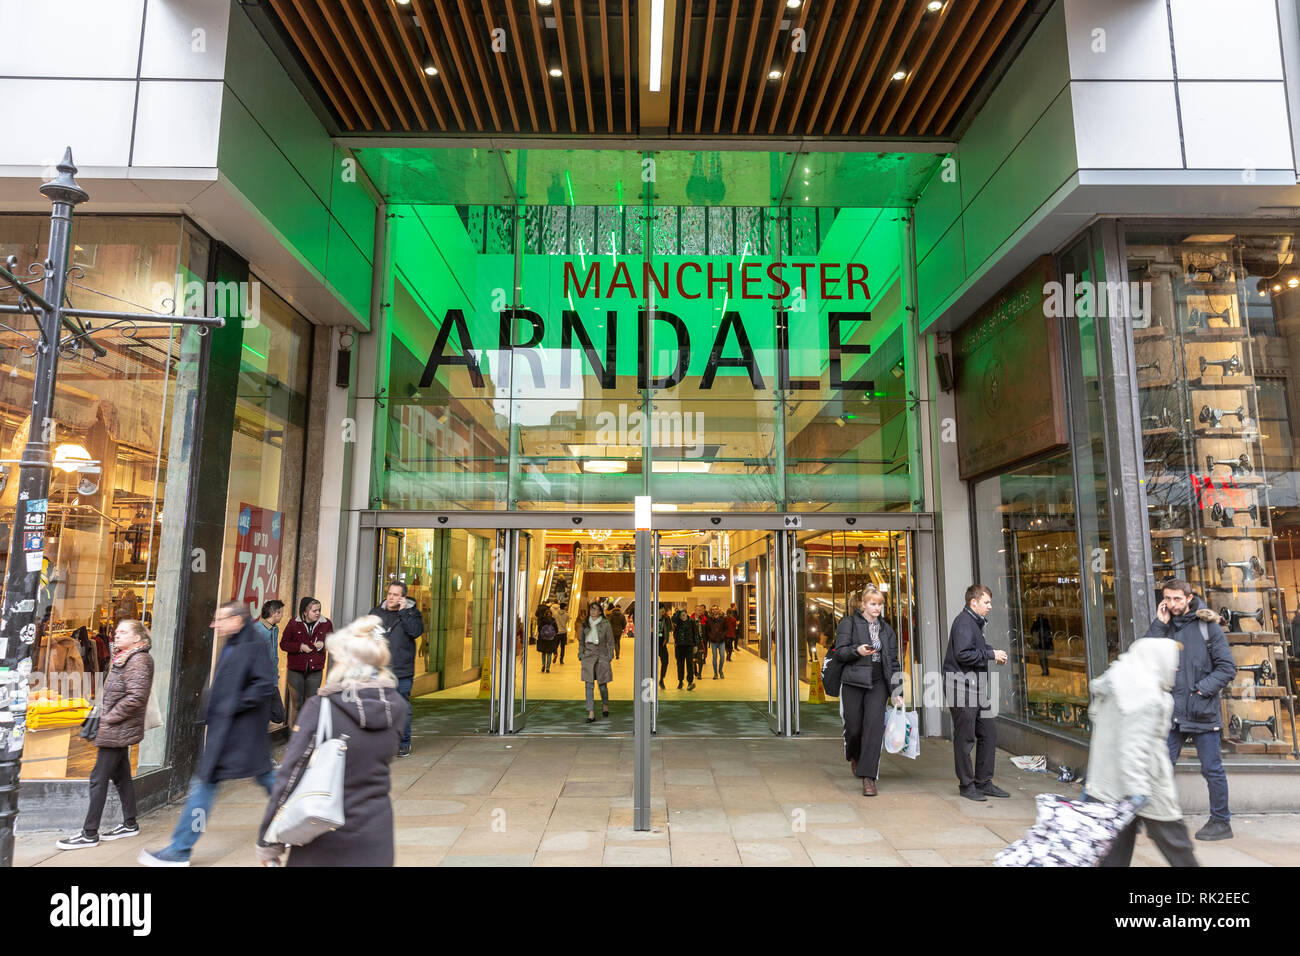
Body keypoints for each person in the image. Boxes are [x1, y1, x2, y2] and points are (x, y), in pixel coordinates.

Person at [256, 615, 409, 867]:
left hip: (323, 836)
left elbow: (291, 774)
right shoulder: (397, 708)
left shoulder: (322, 707)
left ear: (343, 662)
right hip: (376, 834)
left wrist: (268, 841)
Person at [139, 602, 276, 866]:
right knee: (258, 782)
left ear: (237, 620)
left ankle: (179, 850)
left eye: (221, 620)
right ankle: (180, 848)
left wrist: (230, 704)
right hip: (228, 735)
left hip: (241, 736)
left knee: (260, 782)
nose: (216, 625)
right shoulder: (236, 642)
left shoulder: (253, 645)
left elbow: (264, 686)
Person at [1087, 637, 1199, 867]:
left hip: (1107, 786)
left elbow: (1097, 719)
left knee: (1113, 855)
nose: (1175, 668)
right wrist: (1137, 793)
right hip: (1146, 787)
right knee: (1178, 847)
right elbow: (1133, 748)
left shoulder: (1117, 682)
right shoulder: (1145, 696)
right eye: (1173, 662)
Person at [1144, 578, 1236, 841]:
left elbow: (1227, 668)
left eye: (1177, 599)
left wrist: (1200, 690)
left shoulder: (1208, 627)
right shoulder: (1166, 626)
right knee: (1161, 767)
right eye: (1167, 599)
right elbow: (1145, 655)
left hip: (1201, 710)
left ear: (1188, 597)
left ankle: (1221, 822)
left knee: (1211, 769)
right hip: (1172, 713)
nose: (1172, 604)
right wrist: (1159, 623)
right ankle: (1157, 819)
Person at [56, 619, 155, 850]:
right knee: (121, 777)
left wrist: (109, 717)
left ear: (138, 638)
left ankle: (89, 833)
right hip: (116, 726)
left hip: (117, 727)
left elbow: (136, 697)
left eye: (123, 632)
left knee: (98, 778)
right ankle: (130, 823)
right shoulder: (125, 657)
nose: (117, 635)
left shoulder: (139, 660)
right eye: (117, 631)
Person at [833, 588, 904, 796]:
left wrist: (897, 691)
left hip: (878, 682)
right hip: (854, 680)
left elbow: (893, 662)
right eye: (872, 604)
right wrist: (858, 651)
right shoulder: (849, 623)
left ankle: (869, 778)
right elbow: (840, 651)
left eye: (880, 604)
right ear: (863, 604)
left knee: (873, 727)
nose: (877, 608)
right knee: (854, 727)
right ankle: (854, 754)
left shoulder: (886, 630)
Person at [943, 584, 1009, 802]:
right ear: (974, 602)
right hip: (961, 687)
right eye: (986, 602)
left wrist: (991, 653)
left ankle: (983, 782)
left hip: (975, 687)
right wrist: (990, 654)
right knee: (965, 738)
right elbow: (962, 654)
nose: (990, 606)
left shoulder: (973, 623)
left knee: (988, 733)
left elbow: (971, 649)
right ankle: (967, 785)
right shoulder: (964, 622)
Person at [370, 581, 424, 758]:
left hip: (402, 669)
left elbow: (415, 632)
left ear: (403, 597)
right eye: (390, 593)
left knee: (402, 708)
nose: (391, 597)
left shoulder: (412, 613)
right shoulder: (376, 613)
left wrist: (403, 612)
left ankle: (403, 743)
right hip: (380, 669)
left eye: (395, 594)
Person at [280, 597, 332, 727]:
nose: (318, 613)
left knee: (311, 704)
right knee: (297, 704)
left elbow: (333, 642)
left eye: (319, 610)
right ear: (305, 612)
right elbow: (284, 644)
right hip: (295, 670)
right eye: (314, 610)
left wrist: (323, 644)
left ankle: (308, 736)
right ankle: (295, 738)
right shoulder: (293, 623)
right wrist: (300, 647)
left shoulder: (326, 623)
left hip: (315, 671)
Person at [579, 601, 615, 722]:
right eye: (591, 609)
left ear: (600, 611)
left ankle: (605, 705)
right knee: (588, 685)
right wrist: (581, 655)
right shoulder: (585, 623)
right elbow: (581, 641)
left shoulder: (605, 624)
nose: (593, 612)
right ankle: (591, 712)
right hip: (588, 656)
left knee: (602, 684)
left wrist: (609, 656)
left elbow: (611, 642)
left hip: (601, 655)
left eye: (595, 609)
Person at [254, 599, 286, 725]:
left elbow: (274, 656)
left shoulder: (274, 629)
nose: (282, 615)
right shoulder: (257, 629)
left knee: (278, 715)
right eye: (281, 613)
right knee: (265, 716)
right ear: (275, 613)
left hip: (271, 681)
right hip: (260, 681)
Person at [672, 607, 698, 691]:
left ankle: (690, 682)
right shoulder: (678, 622)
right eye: (681, 615)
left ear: (687, 614)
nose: (682, 616)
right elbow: (673, 619)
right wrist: (678, 612)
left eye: (684, 614)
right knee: (680, 664)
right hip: (679, 646)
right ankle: (680, 681)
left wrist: (696, 645)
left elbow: (695, 634)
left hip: (689, 646)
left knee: (690, 664)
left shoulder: (691, 622)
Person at [706, 605, 728, 679]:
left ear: (718, 610)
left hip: (721, 641)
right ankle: (715, 673)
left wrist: (723, 636)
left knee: (722, 657)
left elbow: (726, 629)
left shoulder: (723, 619)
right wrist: (710, 636)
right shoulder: (709, 620)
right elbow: (707, 630)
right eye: (713, 609)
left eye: (716, 609)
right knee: (714, 657)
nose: (714, 610)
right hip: (713, 641)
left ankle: (720, 670)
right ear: (711, 611)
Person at [537, 605, 559, 672]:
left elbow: (539, 629)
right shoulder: (553, 621)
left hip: (543, 639)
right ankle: (548, 668)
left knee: (543, 653)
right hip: (551, 639)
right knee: (549, 653)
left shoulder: (542, 621)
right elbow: (556, 630)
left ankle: (543, 665)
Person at [1029, 612, 1052, 677]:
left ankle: (1044, 671)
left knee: (1041, 658)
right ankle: (1046, 670)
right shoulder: (1046, 622)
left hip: (1039, 643)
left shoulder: (1036, 623)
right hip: (1045, 643)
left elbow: (1032, 631)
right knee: (1044, 657)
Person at [657, 605, 672, 689]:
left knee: (665, 661)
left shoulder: (666, 619)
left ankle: (661, 679)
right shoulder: (652, 618)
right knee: (651, 664)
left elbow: (669, 628)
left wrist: (666, 639)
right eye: (661, 609)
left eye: (663, 609)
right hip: (653, 643)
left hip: (662, 643)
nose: (663, 611)